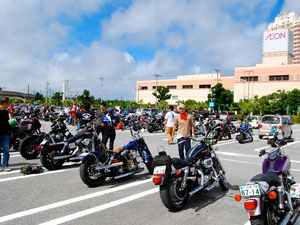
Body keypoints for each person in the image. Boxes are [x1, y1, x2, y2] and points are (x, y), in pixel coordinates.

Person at [0, 98, 12, 172]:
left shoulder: (6, 112)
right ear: (5, 103)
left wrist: (10, 131)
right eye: (8, 103)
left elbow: (7, 123)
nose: (9, 105)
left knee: (6, 151)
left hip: (5, 134)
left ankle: (5, 166)